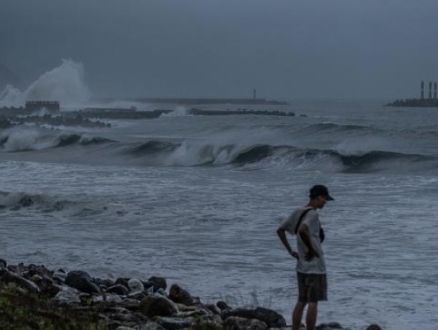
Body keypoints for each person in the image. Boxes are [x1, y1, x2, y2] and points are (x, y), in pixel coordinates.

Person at [276, 185, 334, 330]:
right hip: (315, 266)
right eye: (324, 199)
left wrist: (291, 251)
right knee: (313, 302)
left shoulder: (298, 211)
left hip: (301, 265)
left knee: (301, 301)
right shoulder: (313, 214)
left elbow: (280, 230)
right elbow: (302, 230)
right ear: (318, 197)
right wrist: (312, 249)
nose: (325, 202)